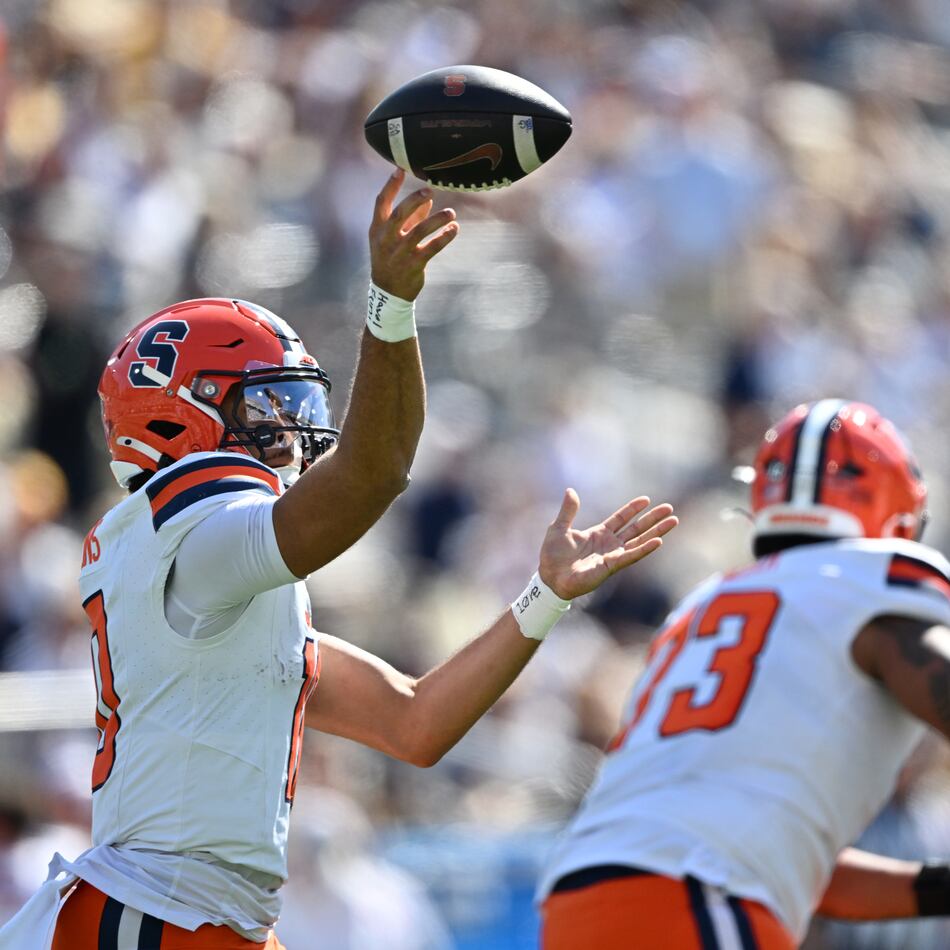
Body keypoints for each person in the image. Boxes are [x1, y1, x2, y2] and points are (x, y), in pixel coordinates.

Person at [0, 167, 677, 949]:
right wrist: (390, 305)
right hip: (156, 914)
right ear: (175, 420)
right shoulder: (186, 530)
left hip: (199, 916)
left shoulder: (209, 583)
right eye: (262, 406)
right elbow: (375, 472)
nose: (289, 435)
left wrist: (545, 597)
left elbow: (415, 724)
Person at [538, 399, 950, 950]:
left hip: (585, 898)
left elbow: (793, 863)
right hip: (696, 894)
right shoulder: (865, 585)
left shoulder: (705, 605)